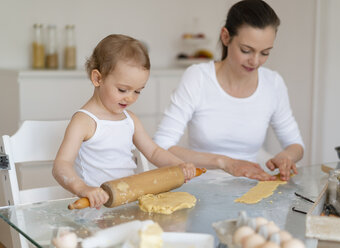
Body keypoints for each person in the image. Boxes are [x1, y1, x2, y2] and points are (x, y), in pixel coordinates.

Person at [154, 0, 304, 181]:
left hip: (252, 184)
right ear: (226, 37)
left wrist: (286, 157)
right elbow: (161, 145)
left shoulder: (273, 83)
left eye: (265, 53)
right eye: (246, 50)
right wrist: (225, 162)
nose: (255, 61)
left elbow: (295, 144)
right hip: (201, 184)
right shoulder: (198, 78)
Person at [53, 34, 196, 209]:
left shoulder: (130, 120)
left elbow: (154, 152)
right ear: (98, 78)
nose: (129, 98)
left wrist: (178, 165)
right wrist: (82, 188)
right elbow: (62, 165)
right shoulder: (84, 121)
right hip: (95, 209)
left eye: (137, 91)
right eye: (122, 90)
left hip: (128, 203)